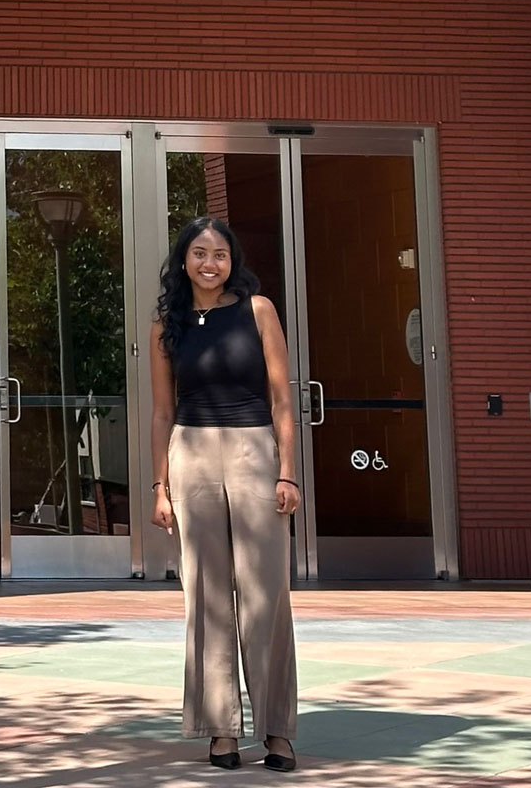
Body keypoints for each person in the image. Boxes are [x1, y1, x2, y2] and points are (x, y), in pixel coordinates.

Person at [150, 215, 299, 772]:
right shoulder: (167, 324)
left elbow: (283, 399)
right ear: (183, 261)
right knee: (207, 597)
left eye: (220, 254)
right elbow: (162, 411)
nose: (209, 263)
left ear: (232, 261)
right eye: (199, 253)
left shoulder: (258, 312)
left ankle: (278, 730)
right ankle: (220, 730)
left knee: (265, 596)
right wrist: (160, 485)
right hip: (190, 454)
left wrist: (287, 471)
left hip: (254, 451)